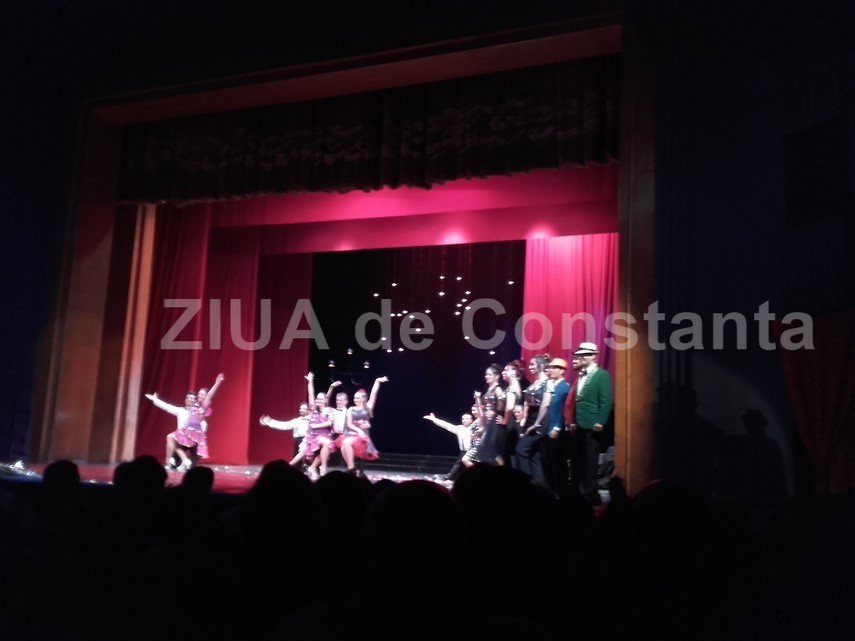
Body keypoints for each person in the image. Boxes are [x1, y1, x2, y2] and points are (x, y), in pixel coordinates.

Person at [563, 342, 613, 504]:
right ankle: (577, 492)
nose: (581, 357)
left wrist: (600, 421)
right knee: (578, 459)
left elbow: (605, 401)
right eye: (580, 355)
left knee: (591, 459)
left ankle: (590, 493)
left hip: (592, 424)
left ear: (593, 356)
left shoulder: (601, 375)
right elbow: (576, 401)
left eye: (585, 354)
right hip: (579, 424)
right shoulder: (581, 375)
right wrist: (572, 421)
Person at [335, 376, 388, 475]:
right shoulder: (351, 409)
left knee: (346, 443)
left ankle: (351, 468)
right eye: (355, 397)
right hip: (352, 432)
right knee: (343, 446)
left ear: (363, 399)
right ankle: (352, 468)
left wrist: (377, 381)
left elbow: (374, 393)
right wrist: (358, 429)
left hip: (363, 435)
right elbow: (349, 424)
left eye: (358, 398)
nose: (355, 399)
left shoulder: (368, 407)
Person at [146, 389, 207, 472]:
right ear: (185, 399)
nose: (190, 399)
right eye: (188, 397)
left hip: (192, 438)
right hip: (181, 437)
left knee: (170, 437)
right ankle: (182, 461)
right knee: (172, 439)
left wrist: (199, 436)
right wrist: (155, 399)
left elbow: (203, 423)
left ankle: (174, 462)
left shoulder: (197, 411)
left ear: (195, 400)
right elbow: (167, 407)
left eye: (192, 398)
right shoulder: (180, 410)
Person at [423, 410, 476, 482]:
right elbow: (446, 425)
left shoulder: (474, 429)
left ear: (471, 420)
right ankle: (450, 477)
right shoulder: (459, 429)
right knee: (457, 467)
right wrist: (434, 419)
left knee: (466, 466)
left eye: (466, 419)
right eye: (463, 419)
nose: (464, 420)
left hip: (472, 452)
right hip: (463, 452)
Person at [303, 372, 336, 479]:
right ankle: (322, 467)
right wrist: (310, 382)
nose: (318, 400)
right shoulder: (313, 409)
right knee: (326, 443)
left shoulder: (329, 410)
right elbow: (310, 394)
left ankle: (314, 468)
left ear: (325, 400)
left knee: (327, 444)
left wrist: (316, 426)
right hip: (314, 436)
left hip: (326, 435)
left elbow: (329, 423)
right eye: (317, 399)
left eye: (321, 399)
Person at [472, 364, 505, 466]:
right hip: (487, 422)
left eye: (489, 375)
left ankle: (503, 470)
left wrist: (496, 412)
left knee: (490, 448)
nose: (486, 376)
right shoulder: (489, 389)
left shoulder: (497, 388)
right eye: (486, 374)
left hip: (493, 422)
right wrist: (477, 397)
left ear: (497, 376)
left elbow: (502, 399)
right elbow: (481, 406)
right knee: (484, 448)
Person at [259, 401, 311, 466]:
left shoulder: (311, 419)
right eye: (300, 408)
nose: (301, 410)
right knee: (297, 464)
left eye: (304, 409)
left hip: (307, 441)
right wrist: (270, 422)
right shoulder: (296, 420)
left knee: (307, 459)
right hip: (297, 441)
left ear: (308, 410)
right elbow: (284, 425)